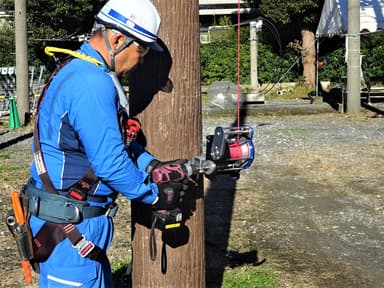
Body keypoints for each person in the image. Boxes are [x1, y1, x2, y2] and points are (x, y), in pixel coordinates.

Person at [26, 0, 186, 287]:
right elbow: (110, 164)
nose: (141, 60)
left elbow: (113, 141)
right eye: (142, 50)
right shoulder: (91, 83)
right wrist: (156, 195)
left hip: (69, 225)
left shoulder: (77, 70)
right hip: (69, 229)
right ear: (117, 39)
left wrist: (152, 165)